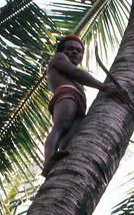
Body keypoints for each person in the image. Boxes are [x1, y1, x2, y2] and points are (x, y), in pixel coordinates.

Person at [42, 34, 127, 176]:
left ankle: (60, 165)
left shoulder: (73, 73)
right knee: (61, 126)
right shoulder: (59, 58)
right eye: (70, 48)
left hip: (78, 103)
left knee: (68, 141)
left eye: (78, 51)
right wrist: (105, 88)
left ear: (81, 57)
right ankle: (48, 160)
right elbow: (75, 72)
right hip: (67, 95)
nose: (75, 52)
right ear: (62, 51)